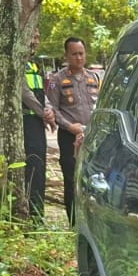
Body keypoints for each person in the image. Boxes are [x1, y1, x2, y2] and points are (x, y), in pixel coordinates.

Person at [46, 37, 102, 217]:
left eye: (81, 53)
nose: (79, 58)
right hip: (69, 136)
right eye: (74, 54)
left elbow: (101, 105)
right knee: (71, 179)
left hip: (92, 136)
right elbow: (53, 107)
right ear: (66, 56)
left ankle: (91, 219)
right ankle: (73, 221)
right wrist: (70, 126)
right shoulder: (57, 80)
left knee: (93, 178)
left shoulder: (94, 77)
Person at [19, 30, 56, 220]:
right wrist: (44, 114)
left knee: (39, 169)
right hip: (26, 124)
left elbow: (42, 92)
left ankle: (38, 214)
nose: (35, 41)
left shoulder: (35, 64)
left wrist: (48, 110)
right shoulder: (18, 63)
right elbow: (25, 94)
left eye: (37, 37)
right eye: (32, 36)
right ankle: (31, 214)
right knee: (31, 168)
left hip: (38, 124)